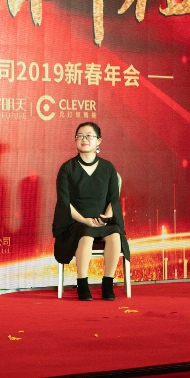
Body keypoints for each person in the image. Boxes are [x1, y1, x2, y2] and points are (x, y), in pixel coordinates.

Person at [52, 122, 130, 301]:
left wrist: (106, 217)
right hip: (76, 221)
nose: (84, 139)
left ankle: (108, 283)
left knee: (114, 234)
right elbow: (64, 202)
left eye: (89, 136)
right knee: (86, 234)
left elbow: (114, 199)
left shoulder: (108, 168)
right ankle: (82, 283)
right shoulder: (67, 168)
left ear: (98, 141)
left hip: (102, 220)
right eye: (80, 136)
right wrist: (84, 220)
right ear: (75, 140)